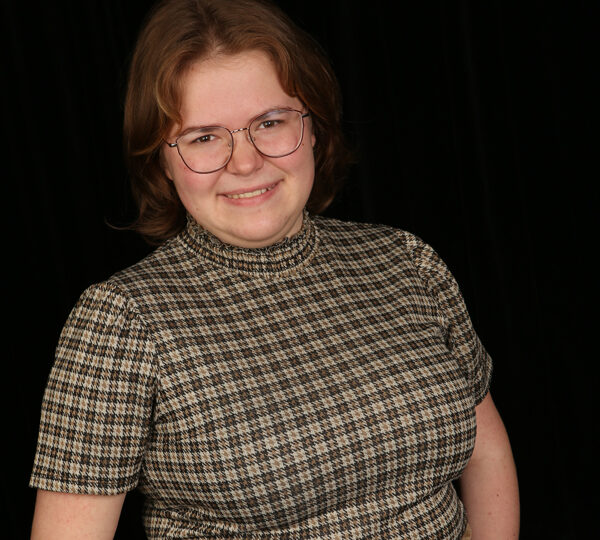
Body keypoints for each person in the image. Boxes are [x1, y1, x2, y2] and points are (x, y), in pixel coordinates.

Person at [29, 0, 520, 538]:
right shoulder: (121, 321)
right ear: (162, 161)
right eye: (204, 137)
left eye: (269, 122)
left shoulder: (407, 263)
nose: (245, 162)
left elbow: (487, 455)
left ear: (313, 128)